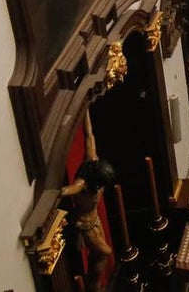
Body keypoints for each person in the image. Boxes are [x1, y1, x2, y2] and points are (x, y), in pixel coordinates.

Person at [60, 116, 116, 292]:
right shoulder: (82, 184)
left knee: (98, 256)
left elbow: (89, 135)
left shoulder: (93, 159)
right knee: (105, 252)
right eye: (99, 185)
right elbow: (64, 191)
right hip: (85, 226)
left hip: (95, 220)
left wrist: (85, 110)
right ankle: (93, 287)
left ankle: (94, 282)